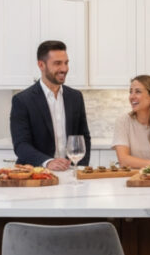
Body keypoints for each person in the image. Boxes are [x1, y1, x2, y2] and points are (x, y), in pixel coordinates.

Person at [10, 40, 91, 170]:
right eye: (57, 63)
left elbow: (84, 138)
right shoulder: (22, 100)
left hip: (70, 172)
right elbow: (21, 145)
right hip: (37, 173)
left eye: (66, 63)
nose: (64, 69)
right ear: (41, 65)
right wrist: (48, 162)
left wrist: (80, 168)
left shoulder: (75, 97)